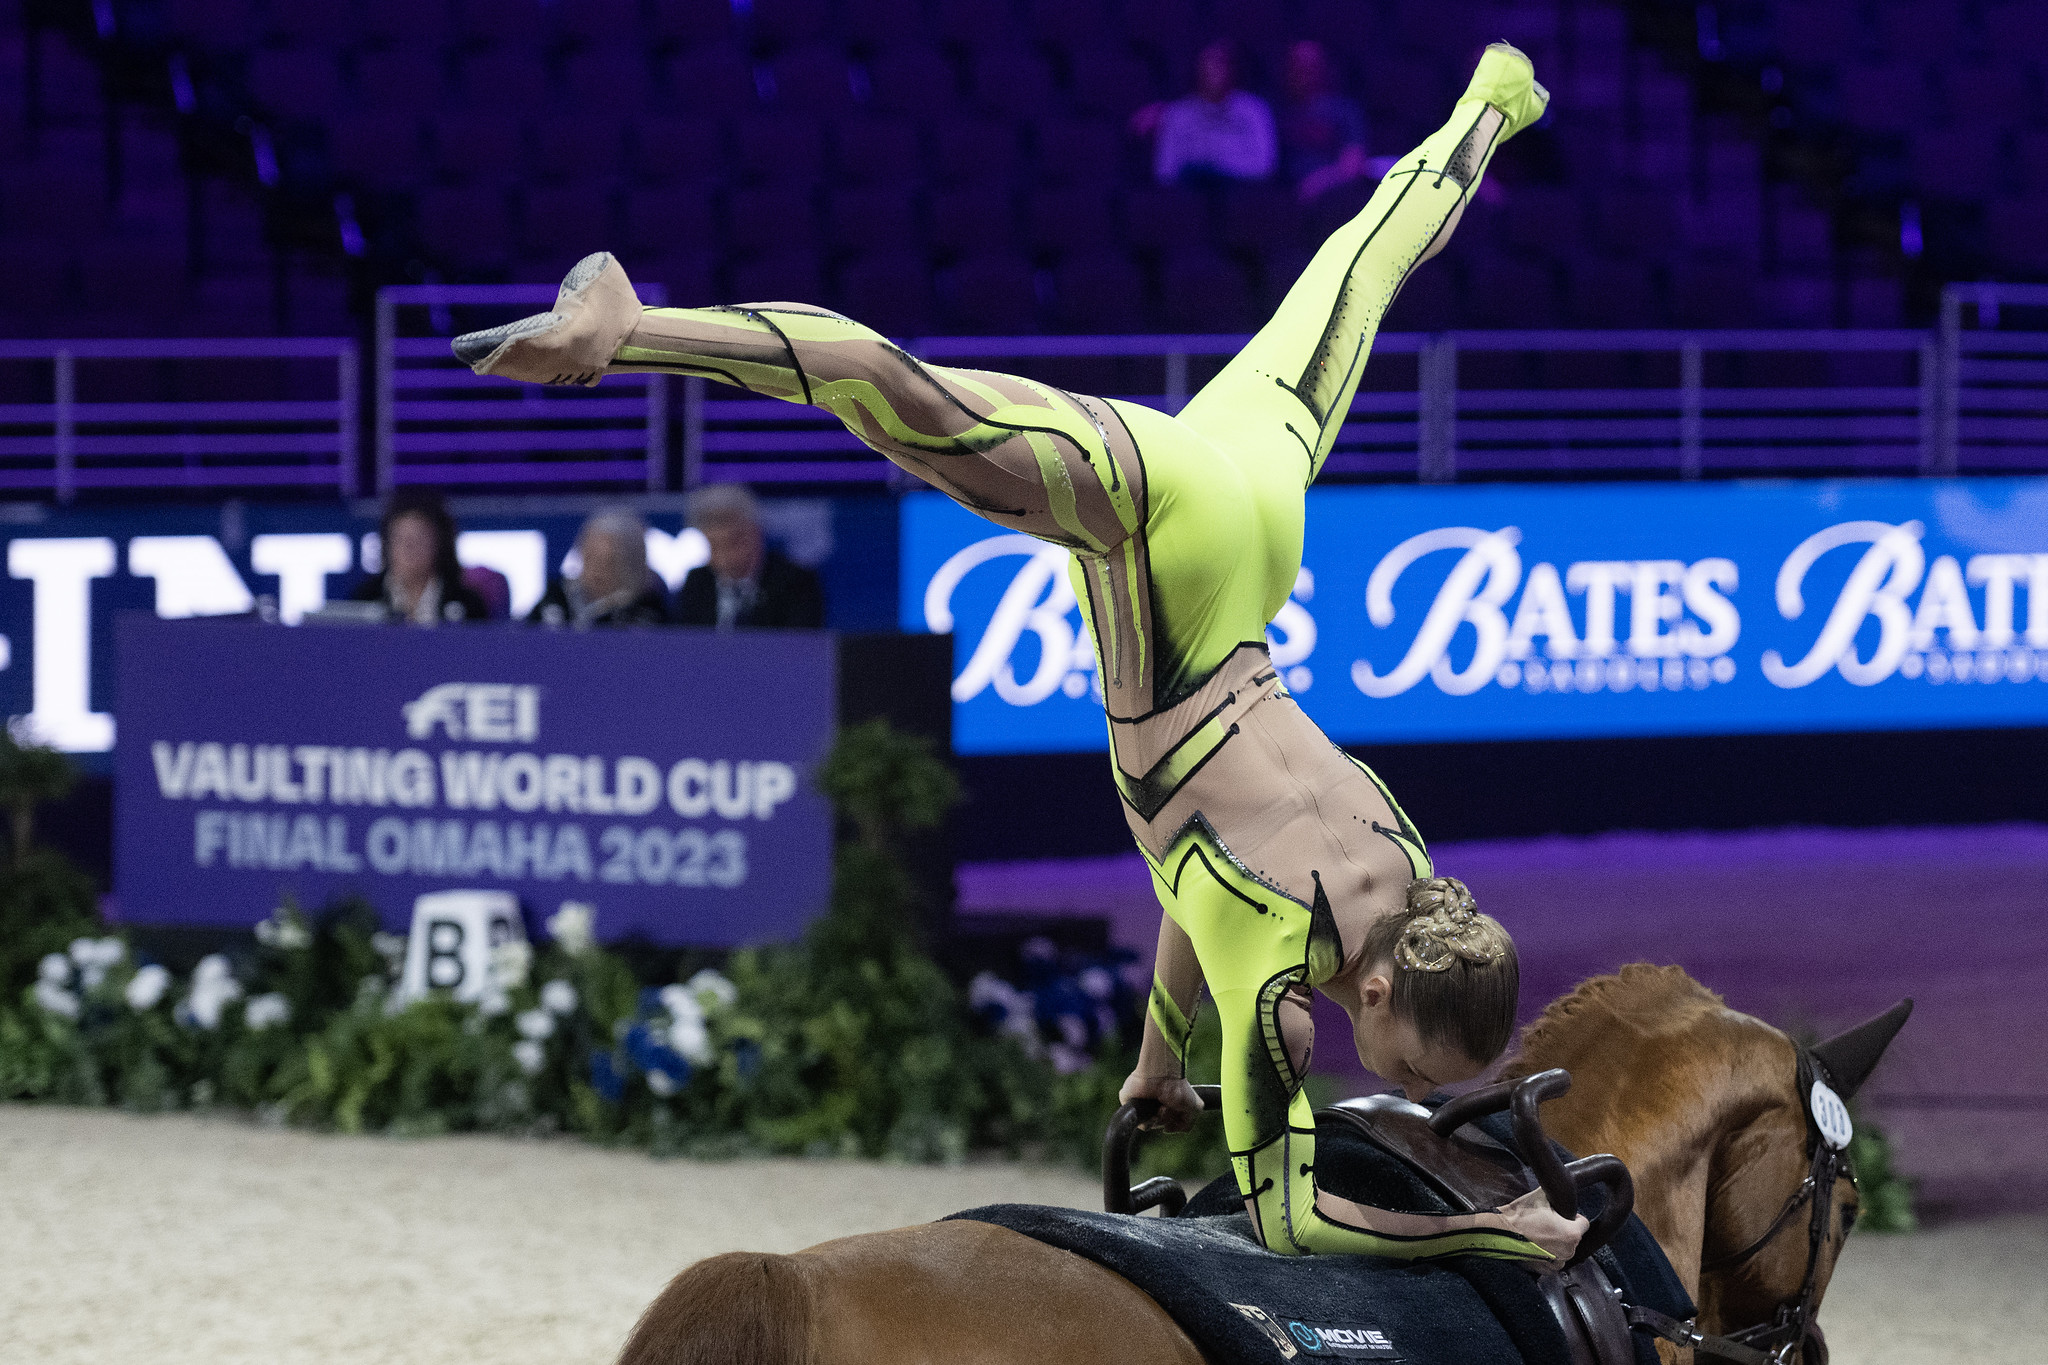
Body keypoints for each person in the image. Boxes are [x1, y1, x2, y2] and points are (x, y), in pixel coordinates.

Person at [453, 45, 1581, 1264]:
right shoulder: (1277, 969)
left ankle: (1486, 103)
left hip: (1256, 511)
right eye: (1409, 1069)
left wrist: (1157, 1064)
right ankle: (630, 328)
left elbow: (1192, 876)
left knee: (1356, 273)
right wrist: (1497, 1230)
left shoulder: (1409, 865)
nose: (1403, 1091)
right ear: (1374, 997)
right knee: (912, 404)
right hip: (1166, 543)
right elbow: (1291, 1217)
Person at [673, 484, 825, 629]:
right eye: (714, 545)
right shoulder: (697, 582)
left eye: (733, 541)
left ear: (755, 532)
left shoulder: (795, 582)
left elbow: (798, 647)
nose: (724, 555)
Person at [1131, 39, 1277, 187]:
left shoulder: (1255, 111)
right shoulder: (1177, 114)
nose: (1213, 70)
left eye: (1220, 63)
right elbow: (1165, 171)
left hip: (1242, 198)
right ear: (1197, 68)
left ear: (1233, 69)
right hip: (1188, 201)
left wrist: (1217, 171)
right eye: (1207, 63)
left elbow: (1265, 166)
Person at [350, 490, 490, 624]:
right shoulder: (362, 600)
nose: (409, 549)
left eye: (420, 539)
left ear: (439, 543)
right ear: (387, 544)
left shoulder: (469, 606)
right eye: (401, 539)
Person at [529, 506, 671, 627]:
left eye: (610, 562)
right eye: (590, 558)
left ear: (632, 565)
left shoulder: (647, 612)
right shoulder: (555, 598)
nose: (597, 570)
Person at [1279, 39, 1371, 203]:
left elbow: (1353, 165)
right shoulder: (1276, 110)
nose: (1302, 74)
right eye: (1296, 66)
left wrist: (1315, 183)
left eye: (1309, 67)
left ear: (1323, 68)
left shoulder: (1345, 111)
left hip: (1331, 197)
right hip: (1283, 197)